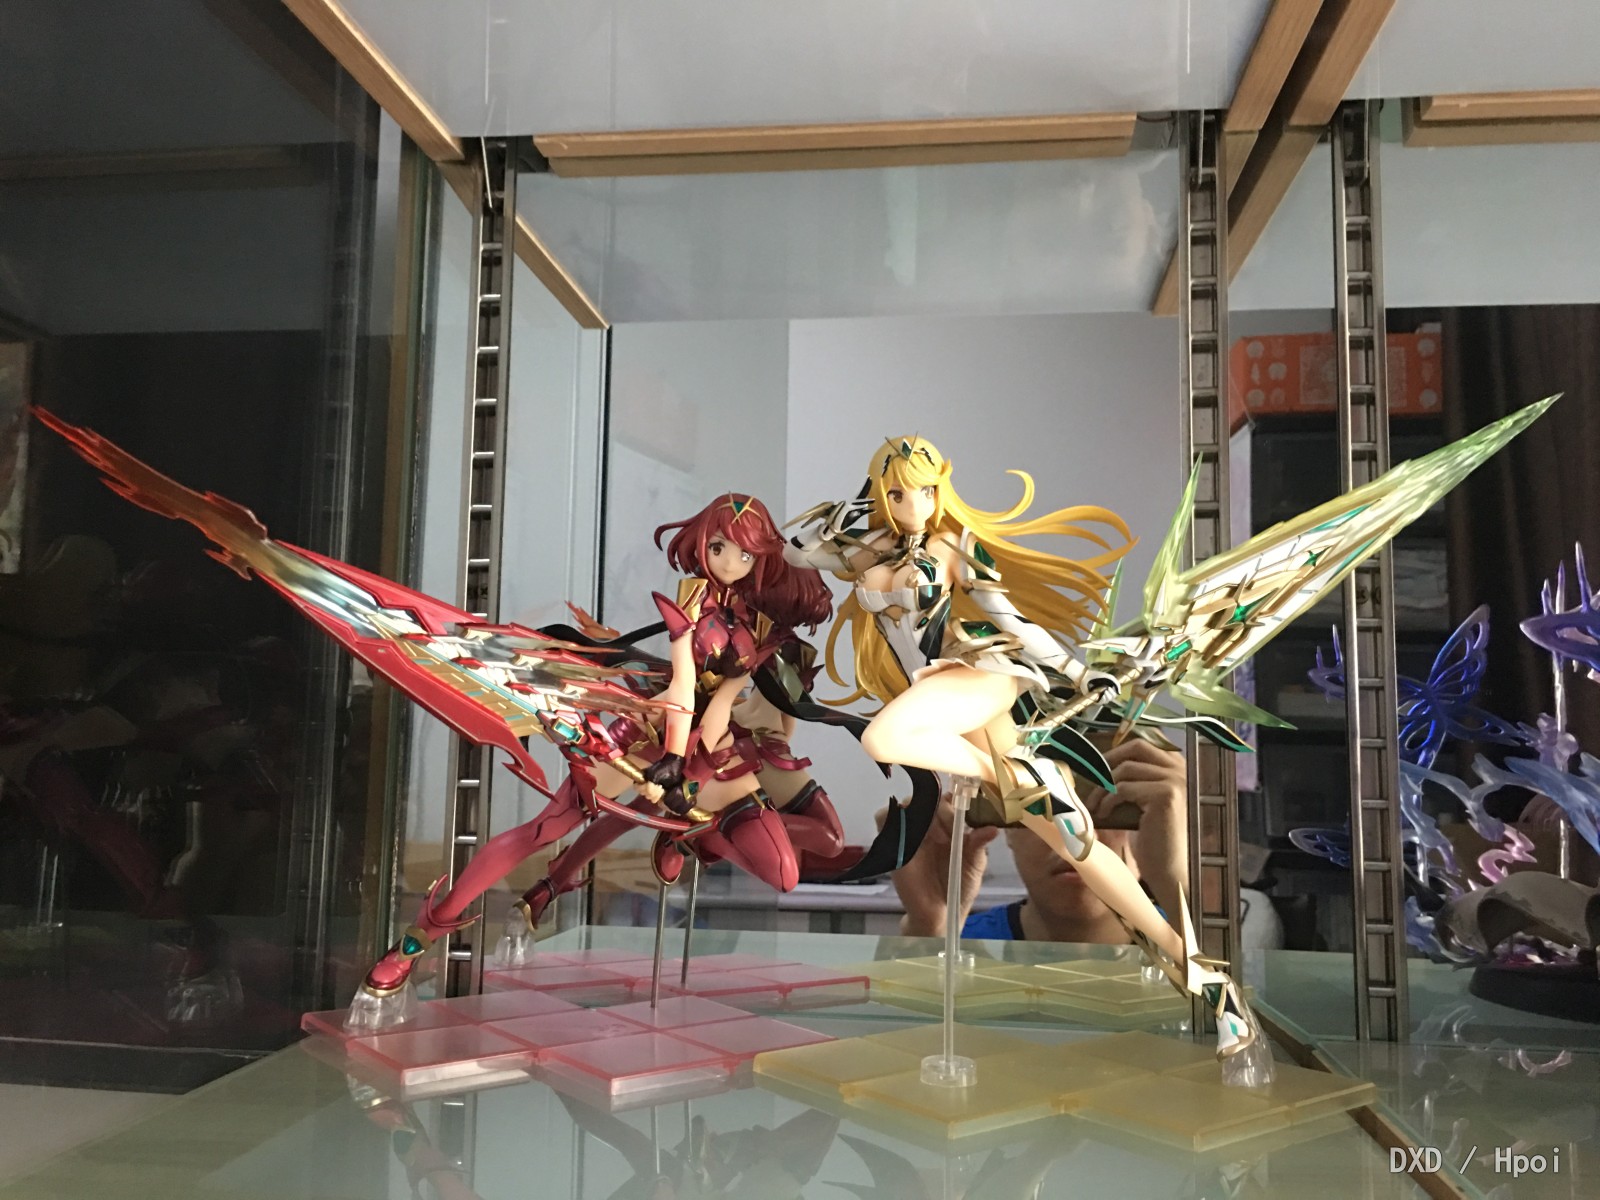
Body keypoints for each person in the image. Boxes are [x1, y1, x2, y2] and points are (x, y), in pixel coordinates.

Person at [786, 436, 1261, 1061]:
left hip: (981, 673)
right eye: (899, 493)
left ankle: (995, 778)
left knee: (883, 737)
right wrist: (864, 511)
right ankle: (1211, 987)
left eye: (926, 491)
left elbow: (1010, 619)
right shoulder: (867, 549)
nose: (915, 505)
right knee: (1078, 841)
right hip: (956, 707)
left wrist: (1078, 672)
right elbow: (794, 546)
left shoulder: (955, 547)